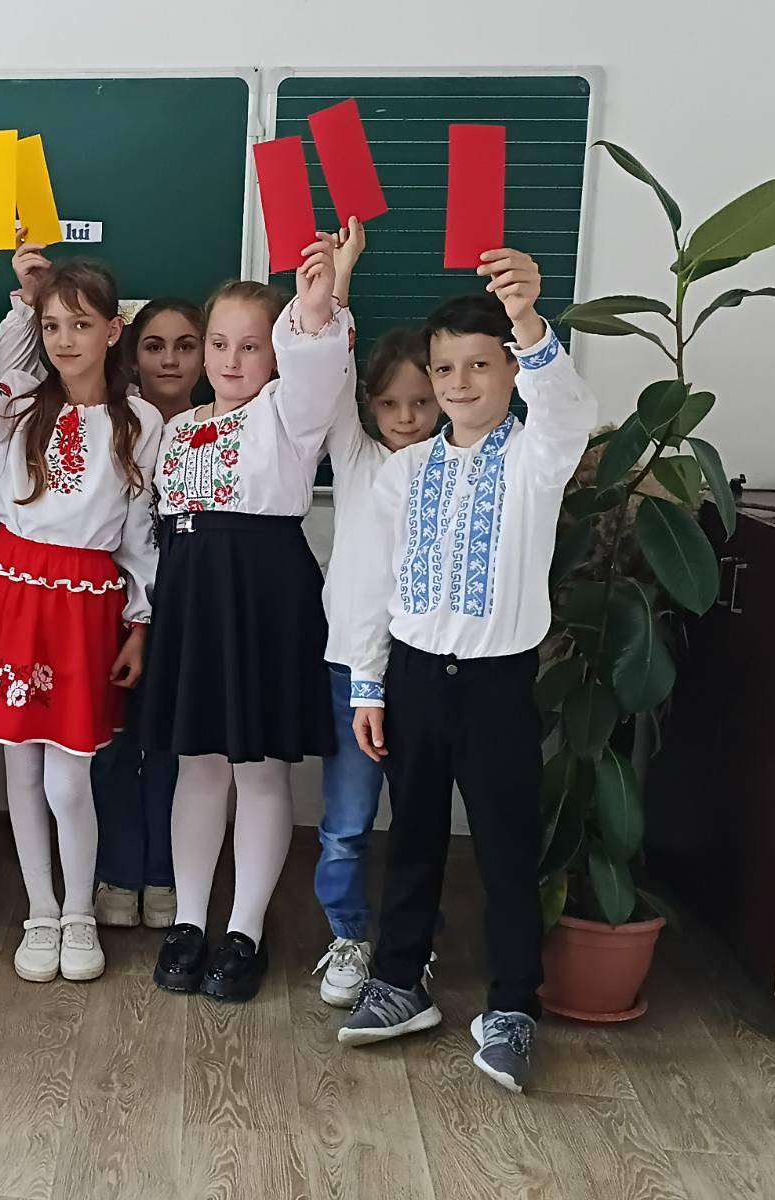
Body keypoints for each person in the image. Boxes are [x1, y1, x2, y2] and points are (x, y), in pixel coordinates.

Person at [337, 248, 597, 1095]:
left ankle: (513, 1005)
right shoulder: (405, 470)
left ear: (512, 371)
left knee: (505, 846)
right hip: (414, 677)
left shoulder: (534, 459)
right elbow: (374, 585)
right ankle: (399, 982)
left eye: (480, 365)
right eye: (445, 367)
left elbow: (568, 411)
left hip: (496, 683)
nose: (458, 383)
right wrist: (369, 685)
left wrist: (526, 320)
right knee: (410, 837)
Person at [0, 243, 160, 984]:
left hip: (84, 602)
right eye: (52, 325)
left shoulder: (140, 420)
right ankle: (41, 911)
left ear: (113, 330)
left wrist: (140, 622)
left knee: (69, 777)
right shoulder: (21, 401)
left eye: (81, 325)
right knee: (19, 766)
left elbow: (140, 533)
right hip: (11, 588)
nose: (65, 340)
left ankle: (79, 910)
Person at [144, 235, 351, 1003]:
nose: (232, 360)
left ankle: (245, 930)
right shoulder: (176, 428)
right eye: (219, 343)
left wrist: (318, 303)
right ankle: (188, 922)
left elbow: (318, 365)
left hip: (262, 599)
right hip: (192, 601)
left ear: (277, 353)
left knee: (259, 769)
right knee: (197, 763)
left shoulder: (288, 415)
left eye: (252, 345)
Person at [311, 220, 441, 1007]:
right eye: (390, 402)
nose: (406, 415)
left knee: (419, 819)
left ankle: (408, 946)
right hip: (346, 671)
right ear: (370, 405)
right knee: (347, 820)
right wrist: (342, 277)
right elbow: (330, 374)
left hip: (422, 671)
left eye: (421, 402)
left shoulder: (457, 467)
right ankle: (348, 936)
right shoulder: (356, 457)